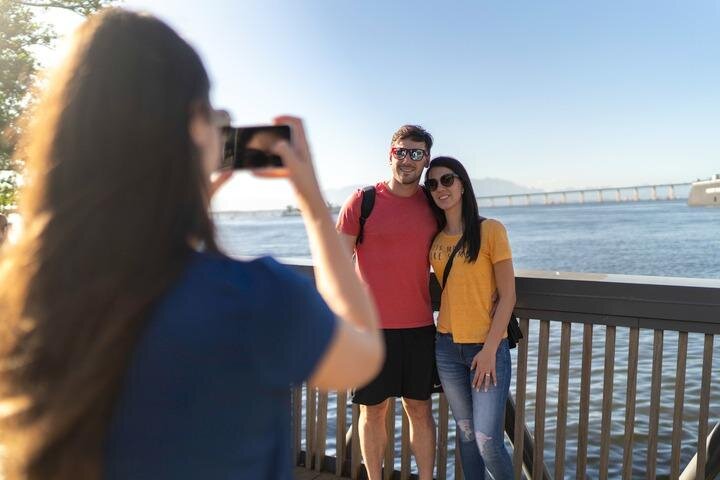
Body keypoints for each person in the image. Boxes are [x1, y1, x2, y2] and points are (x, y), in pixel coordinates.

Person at [0, 9, 383, 480]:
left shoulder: (21, 294)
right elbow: (363, 354)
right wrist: (313, 204)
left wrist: (189, 195)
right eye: (217, 116)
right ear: (194, 128)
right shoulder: (251, 299)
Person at [337, 125, 437, 480]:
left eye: (416, 153)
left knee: (420, 410)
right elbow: (336, 265)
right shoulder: (362, 201)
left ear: (426, 160)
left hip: (419, 328)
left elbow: (463, 237)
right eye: (401, 151)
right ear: (389, 154)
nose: (407, 159)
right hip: (369, 330)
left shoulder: (434, 203)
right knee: (372, 412)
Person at [425, 156, 516, 479]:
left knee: (487, 440)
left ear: (462, 184)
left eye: (447, 180)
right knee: (465, 433)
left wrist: (490, 350)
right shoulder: (435, 240)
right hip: (447, 348)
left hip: (485, 348)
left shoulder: (490, 230)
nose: (440, 188)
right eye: (432, 184)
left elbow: (508, 296)